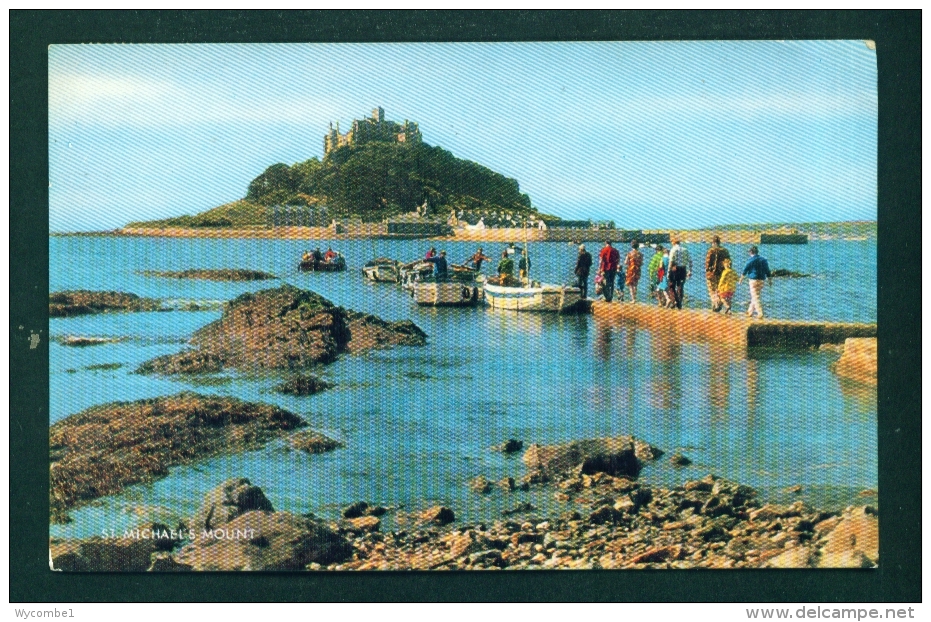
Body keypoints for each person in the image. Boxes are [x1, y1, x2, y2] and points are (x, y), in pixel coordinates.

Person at [738, 245, 773, 318]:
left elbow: (745, 270)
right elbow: (767, 271)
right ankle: (749, 312)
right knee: (755, 296)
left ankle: (760, 313)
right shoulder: (763, 260)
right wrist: (770, 280)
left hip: (753, 280)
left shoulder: (750, 260)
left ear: (751, 252)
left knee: (755, 296)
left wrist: (741, 279)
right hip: (762, 280)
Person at [704, 235, 731, 311]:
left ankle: (716, 304)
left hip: (711, 274)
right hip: (722, 274)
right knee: (720, 290)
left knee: (712, 290)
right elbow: (729, 262)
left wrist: (707, 270)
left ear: (713, 242)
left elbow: (707, 263)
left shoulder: (711, 251)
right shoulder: (725, 251)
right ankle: (718, 304)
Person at [667, 238, 692, 309]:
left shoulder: (673, 249)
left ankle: (675, 300)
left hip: (675, 268)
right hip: (683, 269)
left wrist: (668, 271)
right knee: (680, 286)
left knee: (671, 286)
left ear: (673, 242)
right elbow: (690, 261)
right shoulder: (685, 250)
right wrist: (690, 270)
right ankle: (679, 303)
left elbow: (671, 261)